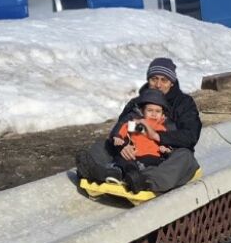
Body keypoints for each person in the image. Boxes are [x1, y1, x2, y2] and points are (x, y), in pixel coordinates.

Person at [76, 56, 201, 195]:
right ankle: (100, 172)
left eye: (164, 80)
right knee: (102, 145)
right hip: (131, 154)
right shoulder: (136, 103)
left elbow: (190, 136)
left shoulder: (184, 104)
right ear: (148, 80)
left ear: (171, 82)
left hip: (164, 155)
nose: (158, 84)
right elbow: (120, 127)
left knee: (185, 157)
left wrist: (157, 136)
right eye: (154, 79)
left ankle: (144, 181)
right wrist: (123, 145)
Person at [102, 88, 172, 193]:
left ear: (163, 115)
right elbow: (124, 128)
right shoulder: (138, 124)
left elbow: (168, 142)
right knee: (123, 160)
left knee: (154, 166)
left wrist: (166, 149)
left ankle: (137, 179)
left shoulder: (162, 128)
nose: (153, 114)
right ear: (143, 112)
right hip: (135, 155)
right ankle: (119, 173)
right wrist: (118, 137)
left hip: (153, 157)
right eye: (150, 110)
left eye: (157, 111)